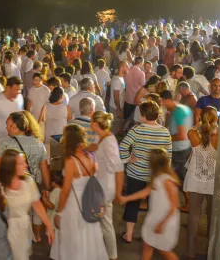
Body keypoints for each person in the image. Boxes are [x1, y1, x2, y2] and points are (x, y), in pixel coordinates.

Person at [50, 124, 108, 260]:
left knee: (73, 238)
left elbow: (65, 191)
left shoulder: (71, 161)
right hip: (89, 202)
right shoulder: (91, 156)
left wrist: (59, 212)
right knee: (89, 236)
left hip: (74, 204)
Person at [118, 100, 172, 243]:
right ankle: (152, 236)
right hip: (155, 175)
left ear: (142, 115)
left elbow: (123, 147)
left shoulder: (136, 130)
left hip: (135, 173)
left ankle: (128, 235)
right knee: (154, 205)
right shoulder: (165, 132)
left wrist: (128, 159)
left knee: (133, 203)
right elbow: (168, 155)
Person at [119, 149, 180, 260]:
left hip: (165, 220)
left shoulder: (168, 182)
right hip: (155, 217)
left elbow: (174, 206)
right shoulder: (157, 178)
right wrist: (125, 198)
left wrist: (162, 223)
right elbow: (146, 191)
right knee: (147, 245)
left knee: (164, 250)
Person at [0, 149, 54, 260]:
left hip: (23, 229)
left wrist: (49, 225)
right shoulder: (0, 186)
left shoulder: (28, 181)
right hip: (4, 231)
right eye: (21, 163)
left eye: (24, 161)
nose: (26, 165)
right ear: (11, 167)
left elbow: (36, 204)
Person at [184, 106, 218, 259]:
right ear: (215, 119)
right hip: (213, 180)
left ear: (201, 118)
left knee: (193, 216)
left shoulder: (192, 133)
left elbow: (193, 130)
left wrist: (198, 124)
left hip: (195, 178)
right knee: (212, 216)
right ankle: (211, 251)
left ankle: (190, 252)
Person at [91, 111, 124, 260]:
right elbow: (95, 147)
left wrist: (118, 193)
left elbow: (119, 168)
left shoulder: (109, 141)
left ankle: (112, 255)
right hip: (100, 185)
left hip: (105, 189)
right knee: (102, 222)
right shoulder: (101, 136)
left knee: (105, 223)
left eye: (91, 121)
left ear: (96, 124)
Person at [161, 90, 192, 211]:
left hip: (180, 149)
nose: (162, 104)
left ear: (166, 100)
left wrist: (165, 137)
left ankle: (188, 204)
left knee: (179, 177)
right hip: (183, 148)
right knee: (177, 177)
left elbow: (182, 135)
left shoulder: (178, 112)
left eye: (162, 101)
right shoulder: (182, 109)